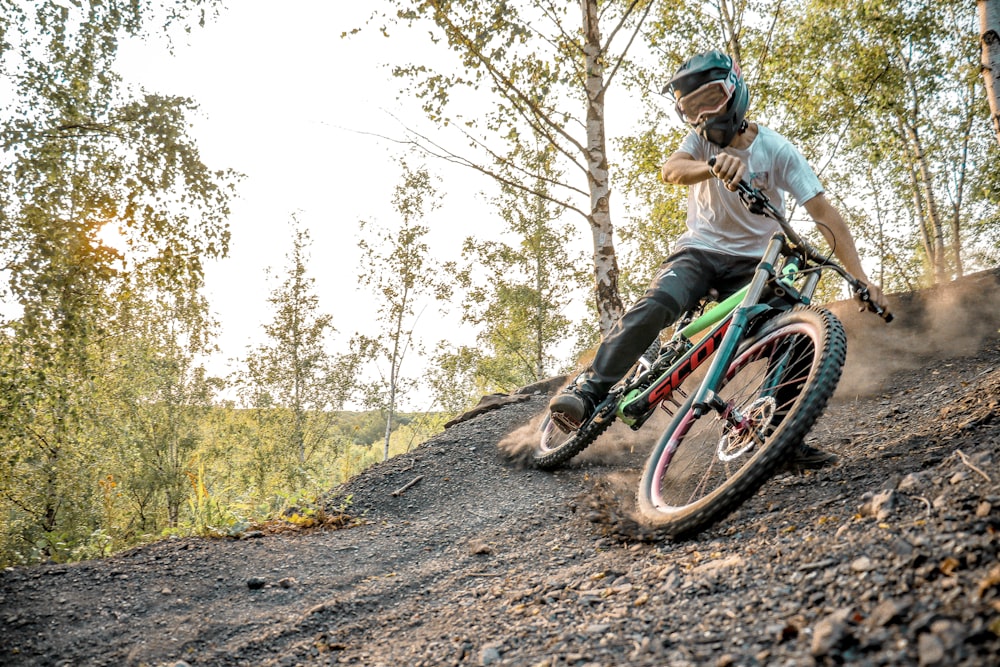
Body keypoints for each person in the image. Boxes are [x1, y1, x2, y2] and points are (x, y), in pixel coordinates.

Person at [549, 50, 889, 467]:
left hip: (753, 268)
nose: (703, 115)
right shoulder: (700, 142)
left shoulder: (776, 150)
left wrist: (861, 279)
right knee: (659, 302)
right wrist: (711, 165)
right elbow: (671, 170)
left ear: (735, 91)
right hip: (698, 253)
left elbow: (824, 214)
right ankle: (589, 390)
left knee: (798, 334)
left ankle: (777, 434)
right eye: (690, 108)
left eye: (711, 99)